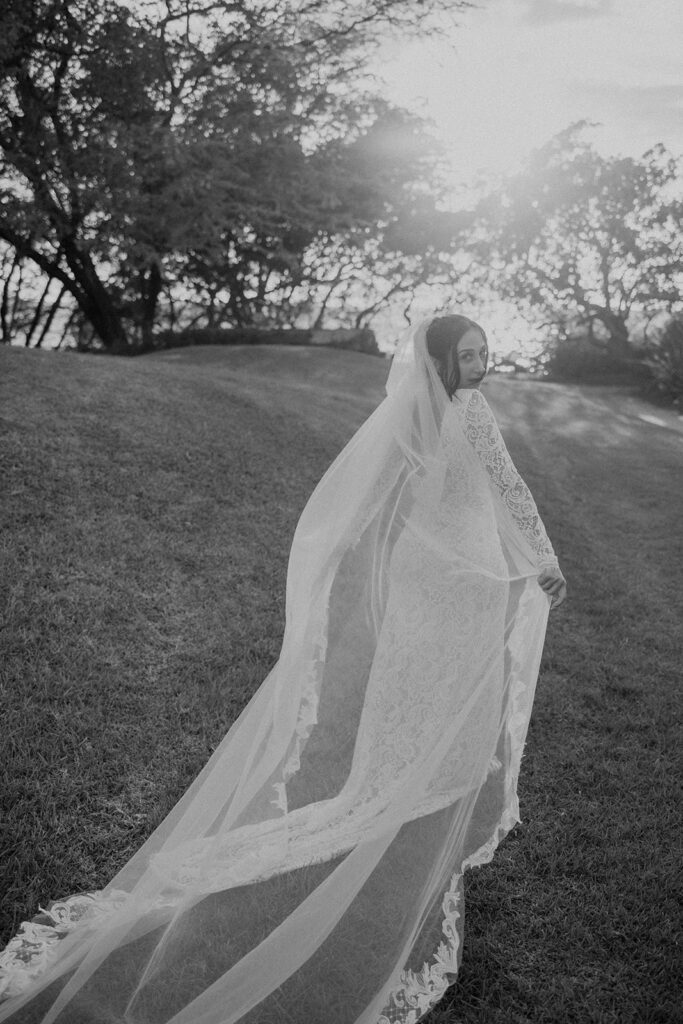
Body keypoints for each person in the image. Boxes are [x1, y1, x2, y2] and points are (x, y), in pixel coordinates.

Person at [0, 312, 565, 1024]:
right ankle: (410, 773)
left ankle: (424, 768)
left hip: (450, 569)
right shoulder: (434, 417)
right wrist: (528, 559)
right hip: (443, 573)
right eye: (469, 355)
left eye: (485, 352)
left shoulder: (444, 412)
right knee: (426, 681)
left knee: (439, 682)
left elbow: (473, 490)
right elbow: (438, 493)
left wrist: (537, 559)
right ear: (437, 362)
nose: (482, 365)